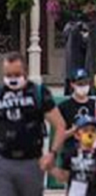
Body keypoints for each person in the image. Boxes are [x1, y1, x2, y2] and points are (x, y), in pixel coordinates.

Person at [0, 52, 67, 196]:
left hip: (32, 162)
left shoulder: (38, 92)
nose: (12, 79)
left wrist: (52, 153)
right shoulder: (1, 94)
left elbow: (60, 125)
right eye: (8, 74)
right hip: (4, 162)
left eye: (16, 74)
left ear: (25, 72)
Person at [53, 115, 96, 196]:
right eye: (85, 130)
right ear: (77, 135)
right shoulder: (70, 153)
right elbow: (64, 176)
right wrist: (51, 169)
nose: (89, 133)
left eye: (93, 130)